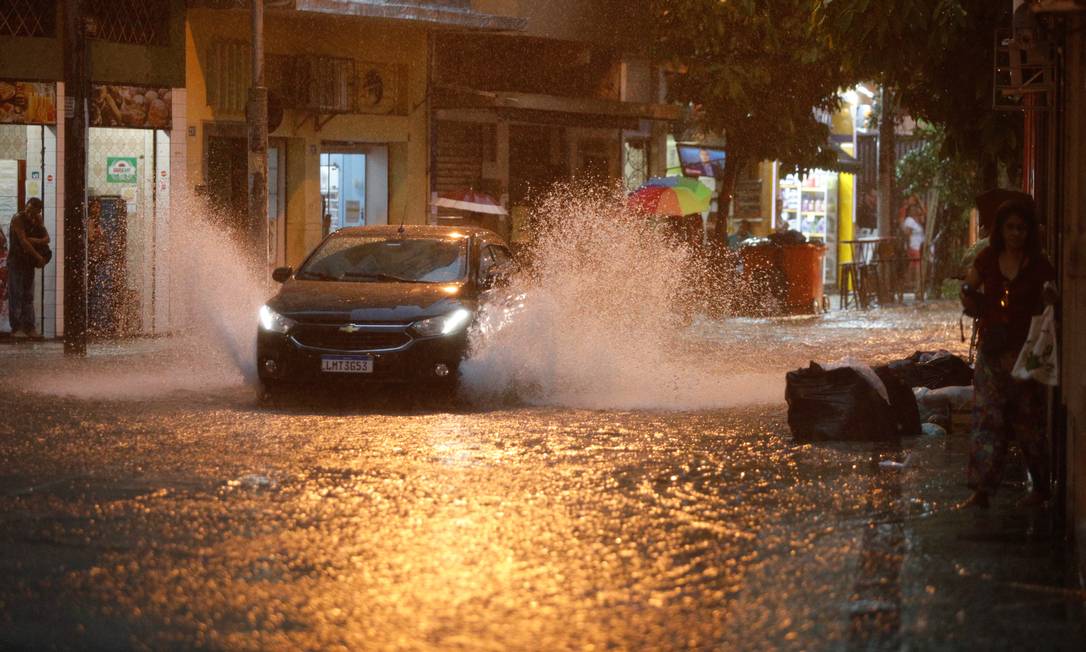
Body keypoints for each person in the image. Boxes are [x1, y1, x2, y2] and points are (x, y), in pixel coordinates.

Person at [960, 199, 1056, 509]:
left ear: (1029, 232)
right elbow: (969, 285)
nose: (1016, 233)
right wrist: (969, 294)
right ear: (1001, 231)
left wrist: (1048, 297)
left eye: (1021, 228)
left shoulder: (1040, 265)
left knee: (1029, 422)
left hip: (1025, 353)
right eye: (1010, 227)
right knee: (987, 419)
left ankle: (1041, 487)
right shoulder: (988, 258)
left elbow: (1050, 299)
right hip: (992, 352)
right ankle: (982, 491)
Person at [7, 197, 49, 340]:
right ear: (26, 207)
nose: (31, 214)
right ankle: (17, 328)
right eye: (29, 211)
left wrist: (34, 240)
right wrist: (38, 257)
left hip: (28, 263)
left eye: (35, 212)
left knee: (28, 296)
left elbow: (46, 238)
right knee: (16, 295)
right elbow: (23, 242)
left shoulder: (37, 219)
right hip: (16, 262)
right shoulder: (18, 218)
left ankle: (29, 327)